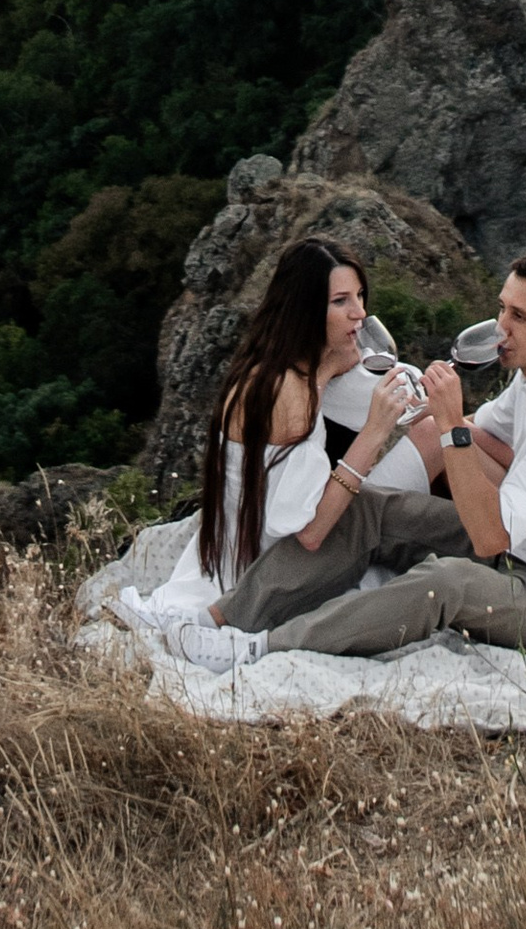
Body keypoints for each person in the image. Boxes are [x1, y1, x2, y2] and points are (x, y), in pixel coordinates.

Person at [164, 245, 526, 671]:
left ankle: (263, 648)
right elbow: (484, 433)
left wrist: (451, 426)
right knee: (369, 508)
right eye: (502, 309)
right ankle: (221, 617)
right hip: (522, 547)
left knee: (445, 584)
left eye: (520, 317)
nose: (501, 329)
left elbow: (490, 531)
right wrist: (435, 414)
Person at [117, 235, 419, 635]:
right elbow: (306, 531)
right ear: (305, 310)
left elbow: (412, 395)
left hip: (259, 539)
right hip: (273, 562)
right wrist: (374, 432)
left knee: (439, 431)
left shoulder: (292, 365)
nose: (360, 314)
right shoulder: (287, 391)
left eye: (360, 296)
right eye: (341, 301)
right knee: (432, 444)